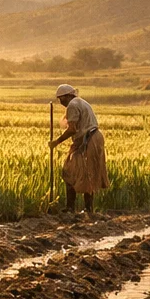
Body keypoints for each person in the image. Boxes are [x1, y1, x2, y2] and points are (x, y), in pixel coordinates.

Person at [49, 83, 109, 214]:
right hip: (93, 138)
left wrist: (56, 142)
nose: (60, 102)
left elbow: (72, 129)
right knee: (88, 173)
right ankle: (87, 209)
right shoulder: (81, 102)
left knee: (69, 171)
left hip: (89, 140)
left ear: (67, 96)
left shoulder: (73, 105)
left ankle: (72, 208)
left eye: (61, 99)